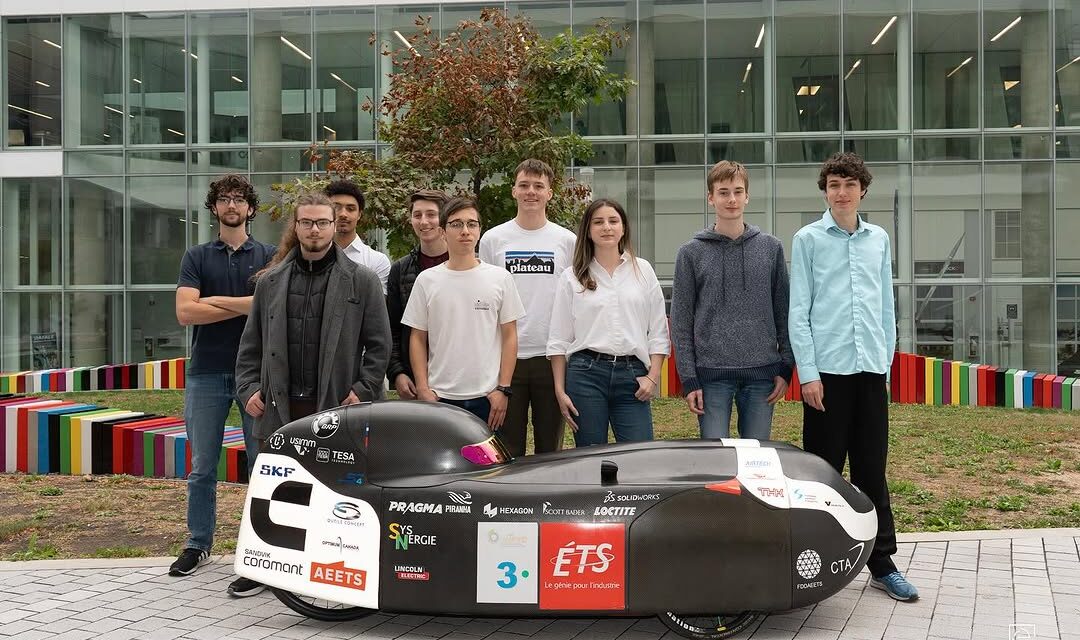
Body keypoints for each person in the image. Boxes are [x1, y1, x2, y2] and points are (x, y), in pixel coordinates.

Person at [788, 151, 917, 602]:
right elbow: (798, 312)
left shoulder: (878, 239)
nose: (840, 193)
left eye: (848, 185)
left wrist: (883, 364)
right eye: (833, 185)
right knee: (821, 472)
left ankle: (882, 563)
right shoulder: (807, 240)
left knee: (871, 468)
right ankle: (816, 559)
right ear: (825, 191)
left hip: (868, 374)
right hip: (825, 376)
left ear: (862, 189)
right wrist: (808, 374)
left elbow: (885, 306)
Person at [170, 174, 274, 598]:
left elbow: (267, 307)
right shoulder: (196, 256)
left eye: (239, 199)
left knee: (262, 465)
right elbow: (184, 313)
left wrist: (214, 302)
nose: (232, 206)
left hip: (256, 374)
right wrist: (243, 306)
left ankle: (261, 550)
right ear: (214, 208)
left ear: (251, 208)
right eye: (224, 199)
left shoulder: (268, 255)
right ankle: (198, 544)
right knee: (201, 467)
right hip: (207, 372)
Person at [235, 189, 390, 452]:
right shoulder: (269, 282)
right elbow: (251, 344)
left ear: (333, 226)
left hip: (339, 408)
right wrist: (248, 388)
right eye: (306, 223)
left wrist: (362, 390)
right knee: (280, 492)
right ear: (296, 227)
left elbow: (380, 345)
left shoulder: (362, 281)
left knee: (336, 491)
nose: (314, 230)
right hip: (279, 413)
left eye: (321, 223)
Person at [670, 160, 793, 440]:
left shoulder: (771, 248)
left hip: (762, 375)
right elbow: (681, 321)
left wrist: (785, 367)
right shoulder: (690, 253)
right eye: (723, 192)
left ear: (747, 196)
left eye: (738, 191)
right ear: (711, 197)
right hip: (711, 376)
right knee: (715, 463)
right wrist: (689, 379)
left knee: (757, 463)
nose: (732, 199)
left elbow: (784, 311)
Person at [547, 199, 669, 446]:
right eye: (598, 222)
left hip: (633, 376)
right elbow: (558, 340)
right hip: (586, 375)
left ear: (623, 227)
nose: (607, 227)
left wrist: (653, 377)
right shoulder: (572, 276)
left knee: (640, 455)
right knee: (591, 457)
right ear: (588, 230)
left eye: (613, 221)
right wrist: (560, 391)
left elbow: (658, 332)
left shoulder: (642, 270)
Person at [479, 159, 575, 456]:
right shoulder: (493, 239)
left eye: (538, 186)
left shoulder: (567, 240)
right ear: (513, 191)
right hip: (508, 359)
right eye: (524, 185)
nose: (530, 192)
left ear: (550, 193)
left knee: (550, 449)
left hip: (552, 356)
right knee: (508, 447)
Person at [402, 197, 525, 428]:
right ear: (442, 231)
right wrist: (423, 388)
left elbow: (510, 335)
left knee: (488, 464)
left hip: (487, 397)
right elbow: (417, 337)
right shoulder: (427, 280)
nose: (465, 231)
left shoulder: (500, 278)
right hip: (440, 398)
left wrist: (503, 389)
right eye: (457, 224)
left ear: (480, 230)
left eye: (472, 224)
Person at [386, 190, 450, 400]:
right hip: (415, 380)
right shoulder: (400, 270)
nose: (424, 222)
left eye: (431, 214)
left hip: (461, 378)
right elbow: (392, 329)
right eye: (417, 215)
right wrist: (397, 372)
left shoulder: (471, 265)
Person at [326, 179, 392, 293]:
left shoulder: (377, 261)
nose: (343, 214)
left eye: (350, 209)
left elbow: (377, 307)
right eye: (336, 207)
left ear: (359, 215)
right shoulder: (312, 256)